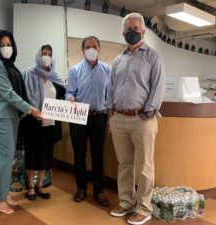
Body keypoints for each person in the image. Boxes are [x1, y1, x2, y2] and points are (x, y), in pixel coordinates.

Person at [106, 13, 165, 225]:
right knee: (124, 164)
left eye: (136, 27)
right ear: (123, 33)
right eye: (128, 28)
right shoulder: (117, 60)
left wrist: (149, 112)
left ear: (143, 31)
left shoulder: (153, 56)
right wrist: (110, 111)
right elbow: (111, 87)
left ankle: (144, 208)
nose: (132, 31)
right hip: (119, 118)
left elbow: (158, 87)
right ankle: (127, 202)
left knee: (145, 165)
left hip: (143, 118)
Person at [0, 30, 42, 214]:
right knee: (5, 158)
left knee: (8, 158)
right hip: (0, 116)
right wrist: (30, 108)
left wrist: (26, 108)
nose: (6, 48)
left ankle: (3, 193)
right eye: (3, 45)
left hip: (11, 116)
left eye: (9, 44)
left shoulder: (10, 66)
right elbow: (7, 92)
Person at [66, 36, 111, 207]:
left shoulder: (108, 70)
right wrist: (70, 97)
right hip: (78, 117)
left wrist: (109, 119)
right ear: (82, 50)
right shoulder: (75, 70)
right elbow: (70, 91)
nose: (91, 49)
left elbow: (110, 96)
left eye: (94, 46)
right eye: (87, 47)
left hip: (99, 117)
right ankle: (81, 188)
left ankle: (99, 191)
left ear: (99, 49)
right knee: (79, 154)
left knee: (98, 156)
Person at [20, 45, 65, 201]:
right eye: (44, 53)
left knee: (46, 156)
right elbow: (22, 97)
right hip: (32, 122)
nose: (47, 56)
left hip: (50, 124)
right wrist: (32, 110)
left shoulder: (55, 77)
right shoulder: (28, 74)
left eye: (50, 54)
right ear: (39, 55)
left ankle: (40, 185)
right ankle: (31, 187)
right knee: (32, 155)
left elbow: (62, 98)